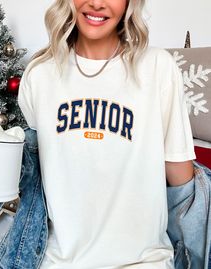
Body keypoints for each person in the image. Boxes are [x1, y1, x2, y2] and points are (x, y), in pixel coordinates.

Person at [17, 0, 196, 268]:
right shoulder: (39, 73)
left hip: (144, 262)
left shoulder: (158, 67)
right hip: (56, 261)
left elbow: (181, 180)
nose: (97, 3)